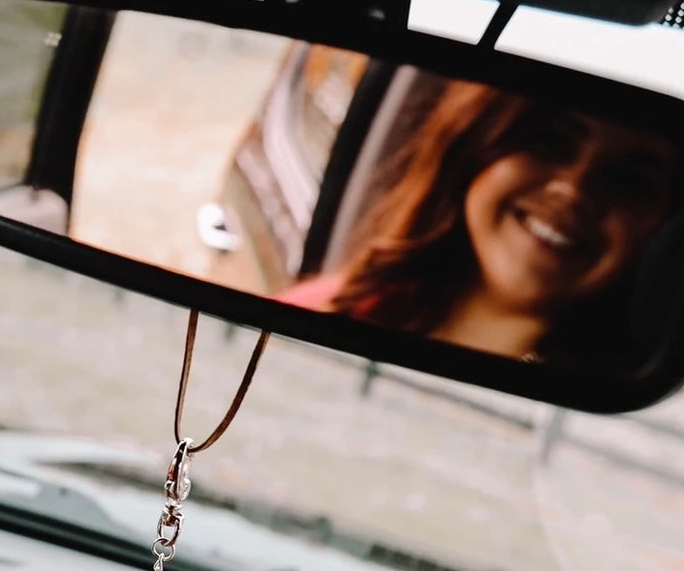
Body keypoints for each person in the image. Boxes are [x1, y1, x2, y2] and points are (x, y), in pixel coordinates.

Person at [283, 79, 680, 369]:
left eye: (633, 181)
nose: (574, 190)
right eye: (551, 141)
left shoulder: (614, 404)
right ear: (476, 153)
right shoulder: (331, 309)